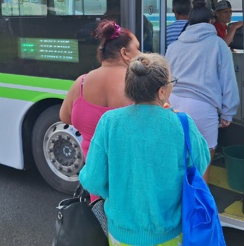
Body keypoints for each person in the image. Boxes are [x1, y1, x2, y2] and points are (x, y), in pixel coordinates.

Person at [79, 53, 210, 246]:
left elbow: (92, 180)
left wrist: (118, 192)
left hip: (121, 235)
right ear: (162, 91)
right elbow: (201, 163)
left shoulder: (109, 122)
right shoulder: (182, 124)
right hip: (170, 235)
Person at [165, 0, 239, 183]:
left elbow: (165, 78)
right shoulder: (218, 45)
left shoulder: (174, 46)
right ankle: (199, 207)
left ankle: (179, 206)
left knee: (178, 160)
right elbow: (228, 81)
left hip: (173, 104)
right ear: (210, 22)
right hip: (202, 108)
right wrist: (228, 113)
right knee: (202, 163)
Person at [59, 19, 140, 162]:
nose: (140, 53)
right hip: (130, 172)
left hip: (94, 173)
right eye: (137, 48)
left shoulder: (81, 83)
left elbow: (65, 117)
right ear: (124, 53)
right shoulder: (140, 83)